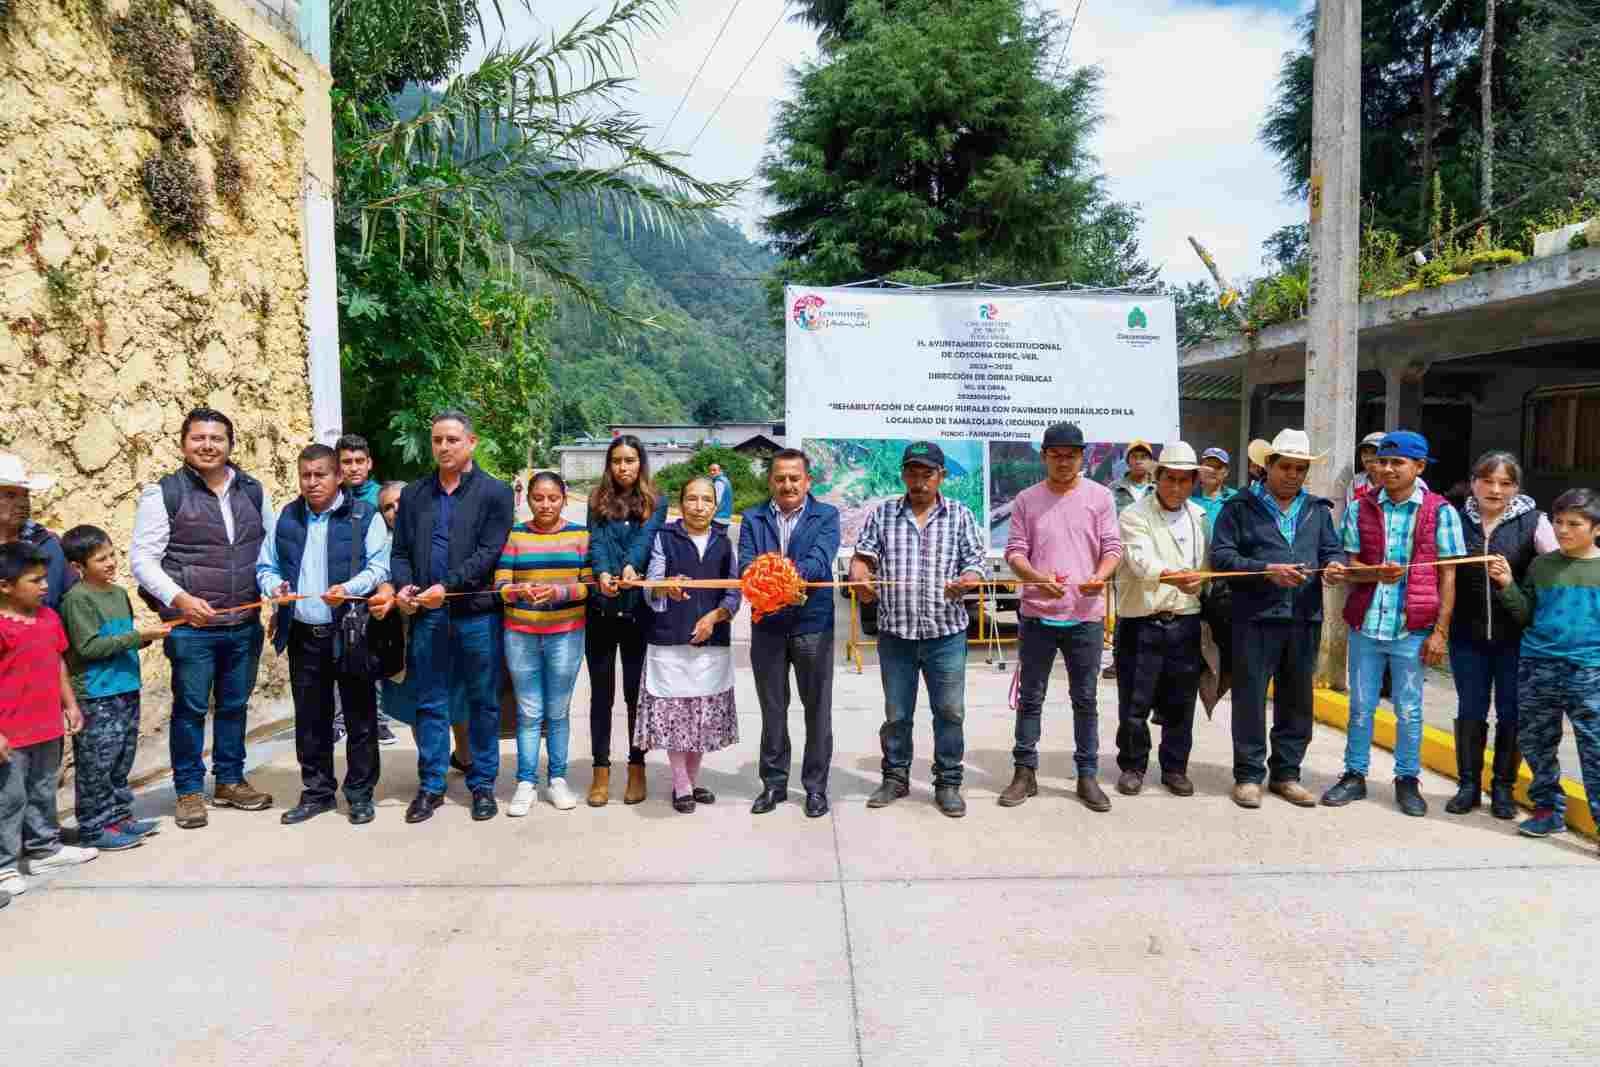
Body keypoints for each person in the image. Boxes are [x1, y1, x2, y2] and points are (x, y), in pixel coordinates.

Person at [131, 407, 274, 830]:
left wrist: (272, 589)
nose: (208, 445)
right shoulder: (165, 494)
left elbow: (268, 551)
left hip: (243, 622)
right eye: (199, 438)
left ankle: (230, 780)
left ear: (231, 444)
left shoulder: (253, 490)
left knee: (234, 705)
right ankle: (190, 791)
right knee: (191, 708)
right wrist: (179, 598)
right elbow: (143, 559)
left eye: (217, 438)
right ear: (183, 443)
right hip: (193, 628)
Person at [1323, 430, 1465, 817]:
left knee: (1409, 709)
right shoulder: (1360, 507)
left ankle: (1407, 780)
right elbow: (1351, 567)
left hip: (1413, 628)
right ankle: (1354, 775)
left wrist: (1440, 632)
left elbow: (1448, 576)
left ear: (1419, 467)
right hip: (1366, 625)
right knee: (1361, 706)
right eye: (1381, 461)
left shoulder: (1440, 511)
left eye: (1396, 462)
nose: (1386, 469)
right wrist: (1374, 575)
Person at [391, 411, 515, 824]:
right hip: (427, 617)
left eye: (452, 440)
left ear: (472, 442)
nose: (444, 447)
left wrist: (449, 585)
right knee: (429, 702)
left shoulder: (495, 493)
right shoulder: (415, 494)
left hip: (475, 615)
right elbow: (401, 552)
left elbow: (489, 551)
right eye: (437, 440)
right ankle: (431, 786)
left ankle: (482, 785)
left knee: (482, 702)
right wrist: (405, 587)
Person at [258, 444, 391, 826]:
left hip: (350, 631)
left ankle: (360, 794)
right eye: (306, 475)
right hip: (303, 634)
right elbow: (265, 566)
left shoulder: (363, 515)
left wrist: (349, 587)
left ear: (337, 477)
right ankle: (317, 793)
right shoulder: (288, 517)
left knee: (360, 718)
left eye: (320, 475)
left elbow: (379, 566)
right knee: (311, 720)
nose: (312, 482)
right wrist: (274, 588)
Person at [850, 441, 985, 817]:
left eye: (928, 474)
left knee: (949, 713)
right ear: (903, 475)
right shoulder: (883, 515)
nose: (919, 481)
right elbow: (862, 558)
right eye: (913, 472)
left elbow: (976, 562)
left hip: (946, 633)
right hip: (897, 636)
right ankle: (895, 777)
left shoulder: (959, 515)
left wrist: (969, 579)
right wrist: (859, 577)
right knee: (897, 714)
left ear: (941, 476)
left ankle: (948, 783)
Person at [1210, 428, 1342, 810]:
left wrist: (1334, 566)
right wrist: (1265, 569)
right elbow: (1222, 558)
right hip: (1254, 618)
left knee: (1297, 699)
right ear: (1266, 466)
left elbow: (1332, 550)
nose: (1293, 475)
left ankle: (1287, 774)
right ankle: (1248, 776)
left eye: (1300, 469)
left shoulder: (1317, 510)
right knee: (1250, 698)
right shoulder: (1239, 507)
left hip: (1304, 617)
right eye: (1286, 467)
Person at [1000, 422, 1122, 811]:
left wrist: (1098, 578)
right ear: (1044, 456)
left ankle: (1087, 775)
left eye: (1071, 455)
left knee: (1085, 699)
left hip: (1085, 617)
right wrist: (1036, 578)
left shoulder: (1100, 497)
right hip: (1038, 615)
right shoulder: (1026, 500)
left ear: (1081, 457)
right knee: (1030, 698)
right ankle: (1024, 773)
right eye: (1056, 455)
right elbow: (1015, 552)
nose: (1064, 462)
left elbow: (1112, 548)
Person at [1445, 451, 1556, 817]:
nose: (1495, 489)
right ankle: (1468, 786)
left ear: (1517, 488)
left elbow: (1558, 568)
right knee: (1471, 709)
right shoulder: (1455, 520)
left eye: (1505, 483)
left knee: (1512, 712)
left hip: (1518, 639)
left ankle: (1504, 789)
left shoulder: (1535, 522)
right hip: (1467, 636)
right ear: (1473, 483)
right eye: (1488, 481)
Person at [1490, 488, 1600, 850]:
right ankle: (1547, 809)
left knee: (1594, 747)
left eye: (1574, 524)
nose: (1564, 530)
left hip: (1589, 671)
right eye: (1558, 522)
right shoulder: (1542, 565)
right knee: (1536, 742)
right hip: (1537, 665)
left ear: (1596, 528)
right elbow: (1525, 613)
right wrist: (1507, 585)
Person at [740, 448, 841, 817]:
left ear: (807, 481)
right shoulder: (752, 518)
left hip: (812, 624)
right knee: (773, 709)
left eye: (794, 478)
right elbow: (747, 566)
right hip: (766, 627)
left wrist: (777, 580)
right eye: (780, 478)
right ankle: (774, 784)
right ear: (771, 481)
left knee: (817, 710)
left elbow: (819, 560)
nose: (787, 485)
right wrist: (777, 584)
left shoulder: (826, 515)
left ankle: (815, 788)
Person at [60, 526, 169, 851]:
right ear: (78, 567)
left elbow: (122, 640)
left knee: (121, 758)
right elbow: (88, 647)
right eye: (100, 559)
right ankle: (94, 827)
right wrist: (139, 637)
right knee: (97, 762)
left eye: (112, 555)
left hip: (125, 687)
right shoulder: (77, 600)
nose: (110, 563)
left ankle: (119, 816)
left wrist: (145, 638)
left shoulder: (119, 593)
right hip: (96, 693)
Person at [635, 478, 742, 813]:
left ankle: (692, 781)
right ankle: (680, 784)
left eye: (706, 500)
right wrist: (664, 588)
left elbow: (734, 592)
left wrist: (715, 617)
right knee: (676, 715)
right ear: (681, 504)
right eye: (692, 499)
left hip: (712, 642)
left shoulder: (724, 543)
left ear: (715, 506)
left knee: (701, 717)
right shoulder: (664, 538)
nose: (699, 506)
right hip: (670, 640)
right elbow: (649, 585)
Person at [0, 542, 98, 904]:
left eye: (44, 579)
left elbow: (58, 663)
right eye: (34, 580)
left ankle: (43, 850)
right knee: (9, 798)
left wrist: (69, 704)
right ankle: (6, 863)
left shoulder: (48, 618)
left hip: (46, 725)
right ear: (5, 586)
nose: (45, 586)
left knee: (43, 789)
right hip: (11, 732)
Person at [1113, 442, 1208, 797]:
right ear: (1158, 477)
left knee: (1181, 701)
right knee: (1135, 702)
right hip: (1142, 622)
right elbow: (1140, 563)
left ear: (1194, 482)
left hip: (1185, 620)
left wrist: (1200, 582)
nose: (1177, 487)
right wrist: (1176, 577)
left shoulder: (1199, 517)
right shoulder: (1134, 515)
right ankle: (1133, 765)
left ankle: (1174, 768)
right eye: (1171, 479)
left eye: (1185, 480)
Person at [494, 471, 590, 816]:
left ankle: (558, 779)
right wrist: (515, 591)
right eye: (538, 498)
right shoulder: (517, 535)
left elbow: (588, 584)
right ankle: (525, 782)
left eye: (553, 498)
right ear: (528, 499)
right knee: (529, 710)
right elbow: (501, 579)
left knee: (558, 711)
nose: (545, 504)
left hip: (566, 632)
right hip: (521, 632)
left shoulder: (580, 535)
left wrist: (560, 592)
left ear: (564, 498)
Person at [584, 435, 668, 807]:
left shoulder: (656, 501)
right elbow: (596, 541)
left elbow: (646, 540)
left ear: (641, 463)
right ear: (609, 464)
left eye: (630, 460)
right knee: (601, 696)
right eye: (617, 460)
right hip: (601, 610)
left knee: (635, 696)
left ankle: (637, 766)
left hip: (637, 612)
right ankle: (600, 771)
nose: (623, 467)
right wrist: (602, 572)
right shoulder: (596, 500)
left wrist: (631, 567)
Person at [0, 452, 77, 611]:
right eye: (10, 495)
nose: (22, 503)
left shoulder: (48, 544)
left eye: (25, 495)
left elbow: (71, 599)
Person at [1191, 447, 1238, 533]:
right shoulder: (1187, 497)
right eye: (1208, 465)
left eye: (1218, 467)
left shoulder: (1236, 498)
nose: (1212, 471)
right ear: (1200, 468)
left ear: (1226, 472)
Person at [336, 434, 381, 509]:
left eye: (359, 461)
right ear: (337, 465)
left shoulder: (382, 496)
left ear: (369, 463)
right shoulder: (331, 498)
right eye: (347, 462)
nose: (354, 468)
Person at [1110, 441, 1156, 513]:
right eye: (1134, 457)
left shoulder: (1159, 487)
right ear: (1128, 462)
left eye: (1143, 457)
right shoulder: (1113, 488)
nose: (1138, 461)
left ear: (1150, 462)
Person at [1346, 431, 1388, 505]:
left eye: (1374, 452)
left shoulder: (1396, 482)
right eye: (1365, 452)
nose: (1368, 458)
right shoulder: (1357, 482)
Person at [709, 462, 734, 529]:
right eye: (710, 470)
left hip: (718, 518)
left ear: (720, 471)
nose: (712, 472)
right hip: (725, 518)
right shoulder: (726, 480)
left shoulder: (719, 482)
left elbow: (717, 500)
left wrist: (710, 515)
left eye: (714, 470)